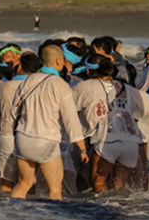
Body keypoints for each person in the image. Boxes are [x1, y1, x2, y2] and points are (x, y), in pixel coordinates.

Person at [9, 44, 89, 200]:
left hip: (23, 138)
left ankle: (13, 217)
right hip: (46, 140)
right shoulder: (60, 84)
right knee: (55, 189)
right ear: (58, 62)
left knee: (23, 184)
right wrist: (82, 147)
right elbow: (70, 118)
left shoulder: (28, 80)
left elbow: (14, 110)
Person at [73, 54, 149, 192]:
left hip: (106, 142)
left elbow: (67, 108)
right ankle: (118, 210)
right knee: (118, 187)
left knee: (98, 182)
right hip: (130, 144)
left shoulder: (83, 87)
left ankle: (103, 212)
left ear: (87, 71)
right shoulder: (126, 88)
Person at [0, 52, 41, 192]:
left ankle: (6, 211)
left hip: (8, 135)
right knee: (29, 183)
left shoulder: (4, 87)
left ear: (20, 66)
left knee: (5, 183)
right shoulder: (40, 88)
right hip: (31, 136)